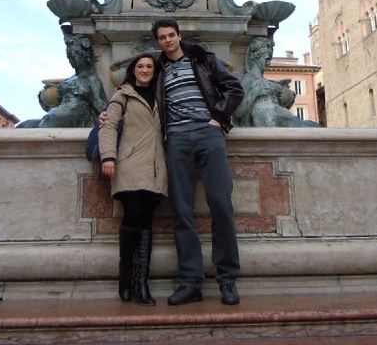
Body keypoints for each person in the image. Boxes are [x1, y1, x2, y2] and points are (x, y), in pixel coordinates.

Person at [153, 18, 243, 306]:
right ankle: (190, 282)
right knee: (182, 211)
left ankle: (227, 279)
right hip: (176, 139)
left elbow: (234, 88)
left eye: (171, 35)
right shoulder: (157, 69)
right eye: (162, 37)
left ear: (179, 36)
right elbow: (134, 91)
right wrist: (109, 113)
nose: (168, 40)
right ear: (158, 42)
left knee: (221, 204)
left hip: (208, 134)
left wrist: (218, 117)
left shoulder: (204, 59)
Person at [99, 53, 166, 305]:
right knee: (133, 215)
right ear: (133, 70)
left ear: (154, 70)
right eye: (140, 66)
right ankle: (125, 277)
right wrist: (108, 156)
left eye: (149, 66)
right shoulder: (123, 94)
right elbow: (109, 125)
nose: (145, 70)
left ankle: (140, 284)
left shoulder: (162, 95)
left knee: (146, 221)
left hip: (156, 166)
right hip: (129, 163)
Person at [234, 35, 319, 127]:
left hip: (275, 116)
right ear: (256, 56)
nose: (268, 63)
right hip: (266, 119)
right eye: (266, 58)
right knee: (299, 124)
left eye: (270, 60)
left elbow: (280, 104)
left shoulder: (266, 82)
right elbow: (238, 112)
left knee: (313, 125)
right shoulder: (249, 78)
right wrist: (256, 90)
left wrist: (288, 97)